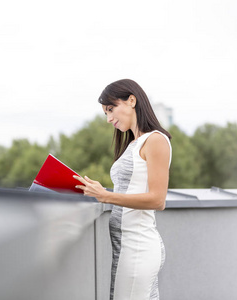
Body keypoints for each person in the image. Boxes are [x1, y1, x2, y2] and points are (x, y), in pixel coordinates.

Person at [73, 79, 172, 300]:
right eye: (105, 113)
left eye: (111, 109)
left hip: (138, 248)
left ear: (131, 100)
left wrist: (105, 196)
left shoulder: (156, 140)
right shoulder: (134, 143)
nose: (109, 119)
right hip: (126, 246)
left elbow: (158, 200)